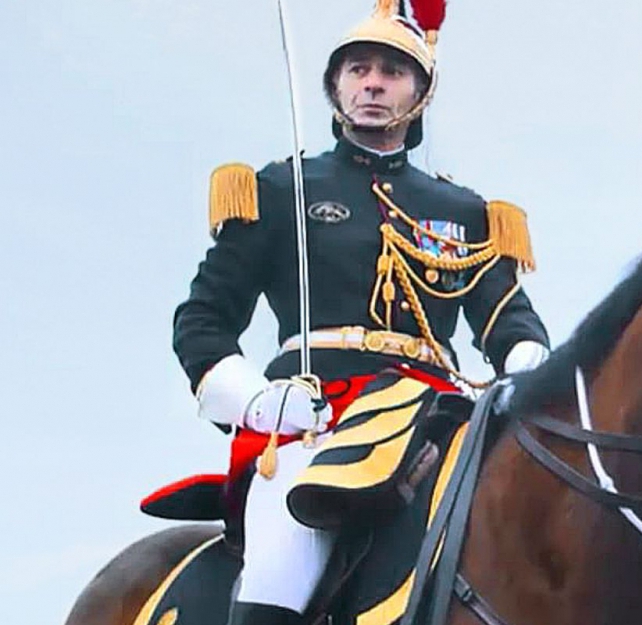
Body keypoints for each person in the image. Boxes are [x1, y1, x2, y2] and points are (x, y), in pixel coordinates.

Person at [171, 1, 550, 623]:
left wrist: (531, 371)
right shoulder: (280, 190)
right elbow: (203, 320)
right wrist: (258, 401)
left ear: (421, 93)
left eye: (392, 72)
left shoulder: (466, 212)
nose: (373, 84)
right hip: (316, 419)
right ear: (335, 87)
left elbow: (509, 323)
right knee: (284, 556)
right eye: (358, 70)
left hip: (437, 416)